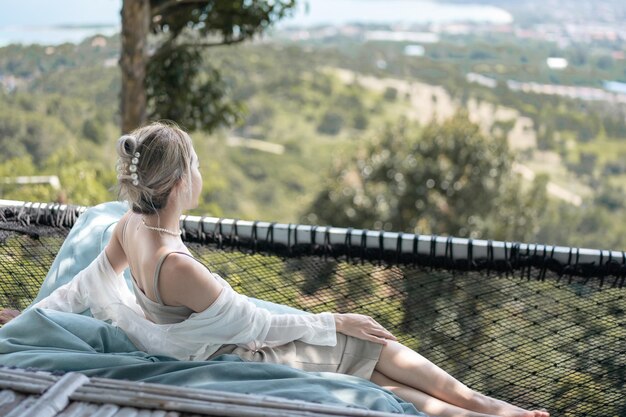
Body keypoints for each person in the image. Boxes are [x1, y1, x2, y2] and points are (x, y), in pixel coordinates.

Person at [30, 121, 548, 417]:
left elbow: (84, 286)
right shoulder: (175, 262)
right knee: (378, 352)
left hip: (223, 341)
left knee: (384, 381)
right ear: (179, 181)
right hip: (239, 354)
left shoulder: (129, 228)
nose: (200, 174)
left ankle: (492, 412)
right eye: (196, 166)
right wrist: (334, 321)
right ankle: (495, 411)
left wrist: (32, 315)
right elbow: (254, 325)